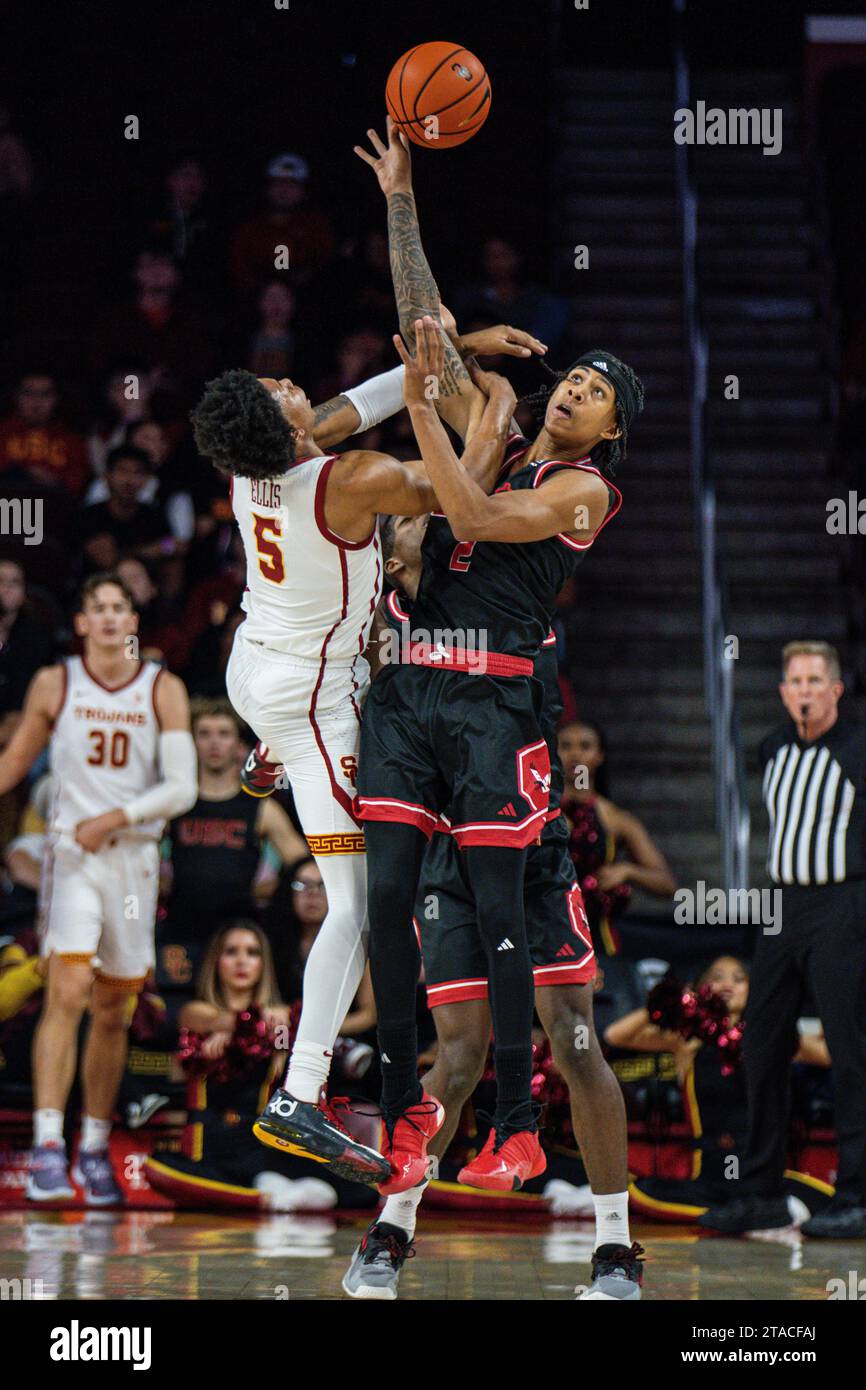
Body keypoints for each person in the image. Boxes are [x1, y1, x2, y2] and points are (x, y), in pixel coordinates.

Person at [350, 120, 642, 1195]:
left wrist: (433, 397)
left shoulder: (581, 491)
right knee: (448, 1024)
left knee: (574, 1036)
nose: (574, 387)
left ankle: (610, 1229)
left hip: (503, 715)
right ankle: (392, 1214)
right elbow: (419, 321)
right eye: (574, 375)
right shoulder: (508, 424)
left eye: (597, 390)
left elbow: (468, 503)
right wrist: (400, 200)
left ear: (609, 429)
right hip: (427, 699)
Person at [190, 297, 537, 1189]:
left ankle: (274, 759)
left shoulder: (254, 464)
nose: (289, 382)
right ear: (284, 428)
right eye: (280, 390)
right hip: (310, 703)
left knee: (339, 836)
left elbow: (365, 402)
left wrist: (448, 347)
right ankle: (299, 1091)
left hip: (255, 670)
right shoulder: (349, 483)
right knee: (355, 902)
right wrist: (495, 405)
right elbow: (466, 491)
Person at [342, 511, 640, 1301]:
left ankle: (615, 1250)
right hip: (446, 860)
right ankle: (391, 1230)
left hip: (522, 848)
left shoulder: (517, 618)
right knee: (460, 1055)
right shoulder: (387, 616)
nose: (404, 539)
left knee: (576, 1042)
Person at [0, 572, 197, 1202]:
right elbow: (11, 764)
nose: (112, 618)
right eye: (99, 609)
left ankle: (92, 1146)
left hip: (133, 861)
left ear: (134, 622)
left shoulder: (162, 687)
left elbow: (182, 788)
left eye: (121, 608)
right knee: (66, 988)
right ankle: (49, 1146)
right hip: (73, 858)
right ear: (82, 623)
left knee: (115, 1009)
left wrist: (115, 818)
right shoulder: (55, 682)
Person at [701, 641, 866, 1237]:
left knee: (850, 1050)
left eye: (815, 680)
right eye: (794, 680)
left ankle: (856, 1194)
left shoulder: (857, 748)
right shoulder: (772, 748)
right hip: (781, 906)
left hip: (844, 902)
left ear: (836, 689)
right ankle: (763, 1191)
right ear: (783, 691)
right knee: (760, 1046)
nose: (803, 690)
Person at [144, 921, 377, 1212]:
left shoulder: (281, 1022)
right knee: (164, 1168)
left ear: (263, 964)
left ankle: (275, 1193)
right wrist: (270, 1021)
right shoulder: (196, 1012)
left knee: (357, 1190)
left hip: (261, 1145)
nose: (242, 961)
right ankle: (271, 1195)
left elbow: (360, 1020)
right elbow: (218, 1020)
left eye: (252, 953)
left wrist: (286, 1025)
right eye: (232, 952)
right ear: (217, 960)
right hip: (209, 1146)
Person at [606, 955, 833, 1224]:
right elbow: (615, 1036)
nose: (727, 984)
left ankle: (759, 1214)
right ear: (701, 988)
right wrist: (667, 1001)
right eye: (716, 977)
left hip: (763, 1175)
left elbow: (831, 1055)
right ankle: (749, 1217)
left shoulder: (773, 1040)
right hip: (710, 1177)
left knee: (828, 1200)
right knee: (637, 1194)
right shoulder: (687, 1042)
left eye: (739, 979)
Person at [159, 697, 307, 993]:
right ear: (192, 742)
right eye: (204, 733)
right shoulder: (174, 802)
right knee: (173, 1018)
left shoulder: (261, 808)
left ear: (239, 745)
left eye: (224, 734)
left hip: (240, 936)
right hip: (181, 929)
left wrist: (276, 892)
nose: (214, 743)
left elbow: (303, 864)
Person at [558, 719, 676, 955]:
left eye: (585, 746)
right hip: (547, 927)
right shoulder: (539, 811)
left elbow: (667, 883)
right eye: (566, 746)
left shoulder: (615, 818)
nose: (575, 754)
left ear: (600, 755)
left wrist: (627, 870)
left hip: (597, 938)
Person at [80, 445, 174, 572]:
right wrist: (147, 551)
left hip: (143, 580)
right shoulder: (91, 515)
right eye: (122, 471)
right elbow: (106, 560)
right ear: (107, 477)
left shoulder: (153, 514)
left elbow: (171, 544)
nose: (129, 481)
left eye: (137, 473)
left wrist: (164, 547)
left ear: (146, 480)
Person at [0, 368, 89, 499]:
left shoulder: (72, 440)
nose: (37, 402)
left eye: (45, 394)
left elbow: (77, 487)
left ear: (56, 399)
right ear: (16, 396)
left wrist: (52, 482)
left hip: (54, 510)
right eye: (29, 393)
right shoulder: (3, 432)